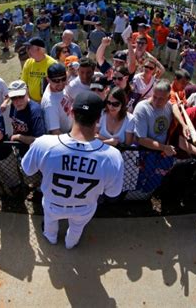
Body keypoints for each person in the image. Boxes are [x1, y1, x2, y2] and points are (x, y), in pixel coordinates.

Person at [21, 91, 124, 249]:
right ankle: (70, 244)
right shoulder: (113, 156)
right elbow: (112, 193)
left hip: (53, 203)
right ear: (98, 118)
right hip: (84, 209)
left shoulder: (44, 144)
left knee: (50, 225)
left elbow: (27, 170)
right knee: (76, 229)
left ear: (71, 112)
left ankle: (51, 238)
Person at [133, 80, 177, 193]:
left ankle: (146, 194)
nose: (156, 101)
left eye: (161, 99)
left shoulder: (169, 107)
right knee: (140, 176)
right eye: (155, 96)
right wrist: (164, 148)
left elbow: (178, 109)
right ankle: (133, 194)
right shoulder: (142, 108)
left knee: (157, 176)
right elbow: (141, 139)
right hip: (145, 150)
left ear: (168, 98)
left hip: (160, 152)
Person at [8, 80, 46, 145]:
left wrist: (18, 137)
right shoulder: (13, 105)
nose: (18, 101)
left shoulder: (35, 111)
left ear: (27, 93)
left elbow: (39, 140)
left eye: (21, 96)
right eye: (13, 98)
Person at [21, 37, 57, 103]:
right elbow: (23, 83)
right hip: (31, 101)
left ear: (39, 49)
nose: (27, 50)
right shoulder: (28, 62)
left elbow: (57, 86)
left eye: (29, 48)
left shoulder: (52, 64)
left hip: (49, 102)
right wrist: (28, 99)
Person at [41, 63, 73, 134]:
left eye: (63, 79)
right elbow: (55, 132)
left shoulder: (55, 87)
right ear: (48, 80)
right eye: (56, 80)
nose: (61, 83)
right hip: (65, 136)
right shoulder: (50, 105)